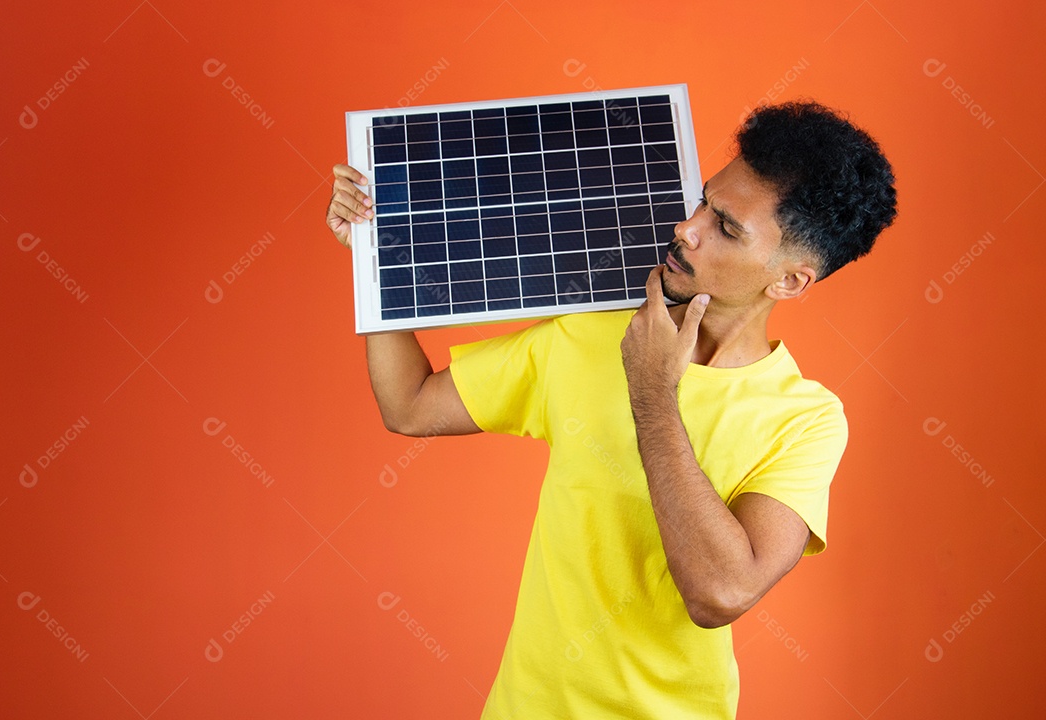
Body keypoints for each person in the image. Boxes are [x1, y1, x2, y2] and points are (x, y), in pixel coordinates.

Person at [327, 100, 897, 719]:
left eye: (727, 228)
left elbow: (721, 592)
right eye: (705, 200)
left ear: (789, 281)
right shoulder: (595, 333)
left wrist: (652, 393)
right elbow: (410, 406)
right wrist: (373, 256)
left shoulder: (805, 419)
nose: (688, 227)